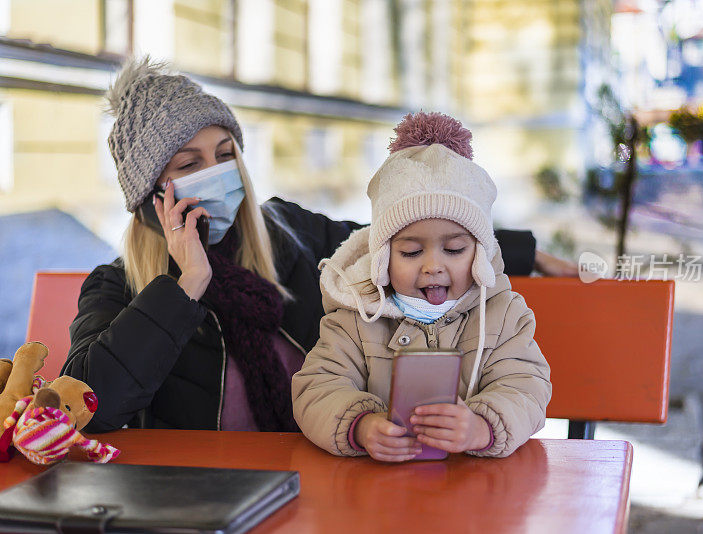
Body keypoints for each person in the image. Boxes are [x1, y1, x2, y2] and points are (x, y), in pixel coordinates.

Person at [62, 57, 548, 433]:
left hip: (324, 465)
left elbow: (406, 234)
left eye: (226, 155)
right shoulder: (118, 288)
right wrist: (186, 285)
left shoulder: (287, 233)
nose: (217, 174)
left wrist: (534, 255)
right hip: (198, 495)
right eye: (189, 165)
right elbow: (89, 406)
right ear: (151, 198)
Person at [292, 112, 552, 460]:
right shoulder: (355, 319)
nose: (433, 266)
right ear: (382, 258)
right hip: (377, 491)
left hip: (476, 488)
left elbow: (526, 386)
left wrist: (481, 426)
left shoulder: (503, 315)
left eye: (455, 249)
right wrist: (363, 426)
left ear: (479, 253)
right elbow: (317, 388)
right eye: (411, 251)